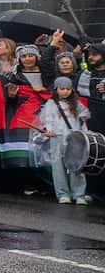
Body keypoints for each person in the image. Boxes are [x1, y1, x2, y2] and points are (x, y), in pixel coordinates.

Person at [31, 76, 92, 205]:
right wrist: (49, 131)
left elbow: (82, 121)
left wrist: (86, 133)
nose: (65, 91)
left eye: (68, 89)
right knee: (58, 167)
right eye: (62, 88)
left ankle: (79, 194)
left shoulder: (76, 103)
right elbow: (48, 119)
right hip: (57, 137)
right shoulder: (51, 103)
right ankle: (63, 194)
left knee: (77, 166)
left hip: (74, 138)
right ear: (56, 89)